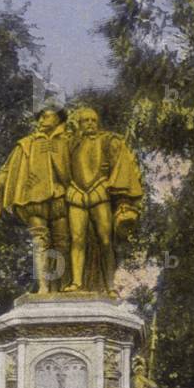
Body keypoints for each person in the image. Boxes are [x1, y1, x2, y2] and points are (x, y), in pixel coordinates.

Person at [0, 107, 71, 294]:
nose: (41, 120)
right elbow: (6, 172)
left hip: (61, 198)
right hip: (33, 199)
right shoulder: (26, 144)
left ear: (58, 119)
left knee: (62, 242)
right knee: (39, 240)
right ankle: (43, 286)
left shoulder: (69, 142)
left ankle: (62, 286)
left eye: (46, 116)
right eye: (40, 117)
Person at [64, 107, 142, 296]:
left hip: (100, 193)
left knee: (106, 240)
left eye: (93, 120)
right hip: (76, 193)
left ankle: (110, 284)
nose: (90, 124)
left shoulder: (108, 141)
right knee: (76, 240)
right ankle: (76, 282)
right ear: (79, 124)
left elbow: (122, 166)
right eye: (86, 121)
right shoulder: (70, 144)